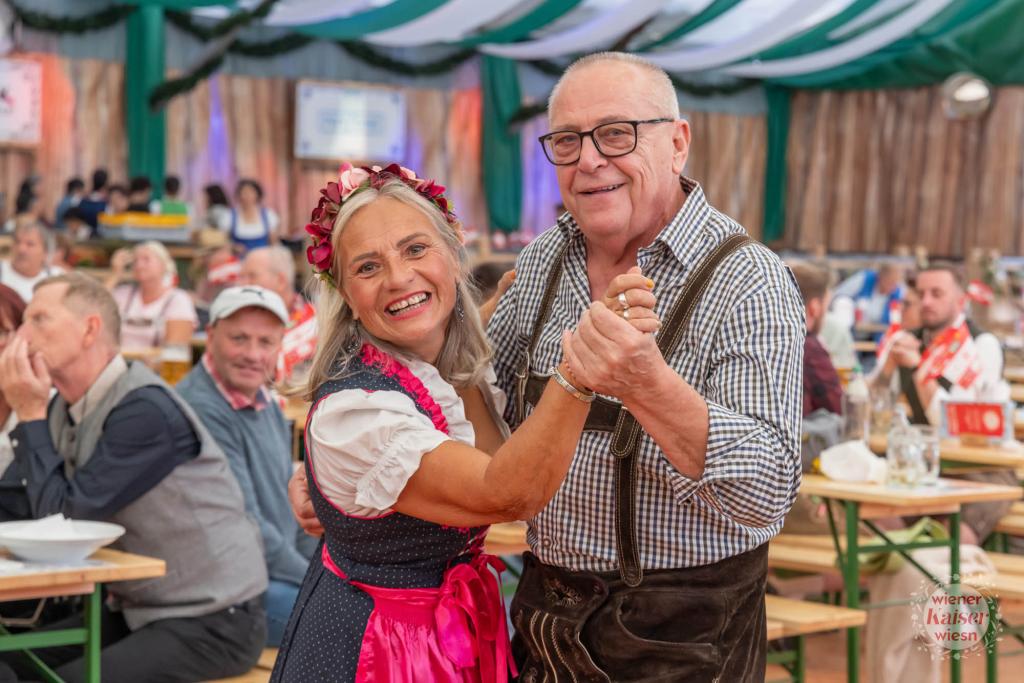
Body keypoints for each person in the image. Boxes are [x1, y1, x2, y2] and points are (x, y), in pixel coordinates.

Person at [290, 53, 804, 682]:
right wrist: (336, 476)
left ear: (678, 141)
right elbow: (468, 392)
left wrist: (647, 385)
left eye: (617, 134)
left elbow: (767, 494)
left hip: (682, 630)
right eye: (567, 141)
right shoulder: (544, 260)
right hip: (541, 610)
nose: (590, 160)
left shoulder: (748, 280)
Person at [270, 163, 658, 682]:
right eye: (367, 268)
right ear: (347, 297)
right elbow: (506, 494)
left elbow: (482, 424)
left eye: (415, 249)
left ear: (453, 255)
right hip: (379, 651)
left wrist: (471, 324)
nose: (399, 277)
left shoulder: (444, 367)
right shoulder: (355, 412)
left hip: (452, 631)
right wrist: (580, 370)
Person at [0, 272, 267, 682]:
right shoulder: (62, 408)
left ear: (89, 329)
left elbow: (62, 521)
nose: (22, 334)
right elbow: (21, 503)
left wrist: (29, 414)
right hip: (136, 610)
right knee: (10, 664)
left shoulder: (144, 411)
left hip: (214, 620)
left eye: (39, 319)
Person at [178, 285, 316, 647]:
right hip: (225, 595)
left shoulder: (262, 397)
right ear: (210, 337)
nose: (253, 354)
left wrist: (327, 574)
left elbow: (293, 514)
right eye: (239, 338)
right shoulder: (199, 407)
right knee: (354, 626)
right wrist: (319, 586)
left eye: (266, 342)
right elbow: (249, 528)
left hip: (265, 576)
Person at [869, 262, 1013, 546]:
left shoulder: (981, 345)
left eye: (937, 294)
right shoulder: (909, 341)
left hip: (981, 469)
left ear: (960, 300)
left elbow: (959, 425)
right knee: (875, 523)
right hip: (922, 465)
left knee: (955, 537)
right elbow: (870, 408)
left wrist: (919, 370)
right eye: (921, 293)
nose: (925, 302)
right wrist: (887, 368)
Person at [239, 246, 317, 382]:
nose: (242, 285)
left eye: (252, 276)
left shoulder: (317, 325)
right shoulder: (238, 320)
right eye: (242, 277)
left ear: (281, 281)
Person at [105, 240, 198, 353]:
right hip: (119, 365)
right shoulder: (123, 294)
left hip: (156, 368)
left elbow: (176, 350)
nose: (139, 265)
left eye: (146, 259)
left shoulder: (178, 299)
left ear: (164, 265)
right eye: (135, 261)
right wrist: (115, 274)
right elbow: (94, 307)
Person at [789, 261, 842, 417]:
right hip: (800, 440)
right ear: (815, 307)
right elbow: (838, 407)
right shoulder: (809, 346)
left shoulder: (766, 335)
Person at [0, 222, 62, 302]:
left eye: (30, 244)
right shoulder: (2, 270)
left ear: (45, 253)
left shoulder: (56, 277)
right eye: (17, 242)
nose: (21, 249)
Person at [832, 262, 905, 330]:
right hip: (854, 327)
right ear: (881, 277)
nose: (893, 287)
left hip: (880, 333)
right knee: (842, 301)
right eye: (890, 282)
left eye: (895, 283)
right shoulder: (865, 279)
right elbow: (838, 294)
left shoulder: (899, 292)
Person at [219, 179, 278, 250]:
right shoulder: (229, 216)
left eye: (251, 192)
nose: (247, 196)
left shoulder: (268, 215)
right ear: (238, 195)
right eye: (244, 193)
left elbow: (273, 242)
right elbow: (223, 241)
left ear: (257, 194)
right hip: (239, 258)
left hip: (263, 257)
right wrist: (233, 247)